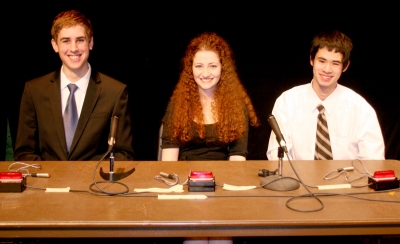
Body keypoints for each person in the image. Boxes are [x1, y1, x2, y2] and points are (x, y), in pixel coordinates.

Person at [14, 10, 134, 161]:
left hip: (93, 183)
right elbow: (24, 153)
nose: (73, 48)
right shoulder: (34, 91)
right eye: (65, 41)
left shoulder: (115, 92)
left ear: (90, 43)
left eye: (80, 40)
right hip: (47, 183)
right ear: (54, 45)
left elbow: (123, 154)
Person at [267, 30, 384, 160]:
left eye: (335, 63)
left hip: (348, 180)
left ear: (345, 67)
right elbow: (277, 157)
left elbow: (374, 161)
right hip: (296, 179)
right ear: (311, 60)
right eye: (322, 61)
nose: (327, 69)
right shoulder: (287, 102)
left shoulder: (360, 109)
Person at [161, 32, 259, 162]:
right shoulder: (178, 104)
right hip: (185, 177)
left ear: (222, 68)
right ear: (191, 69)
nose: (205, 73)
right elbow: (169, 161)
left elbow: (237, 157)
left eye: (212, 66)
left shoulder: (236, 106)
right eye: (199, 66)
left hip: (223, 177)